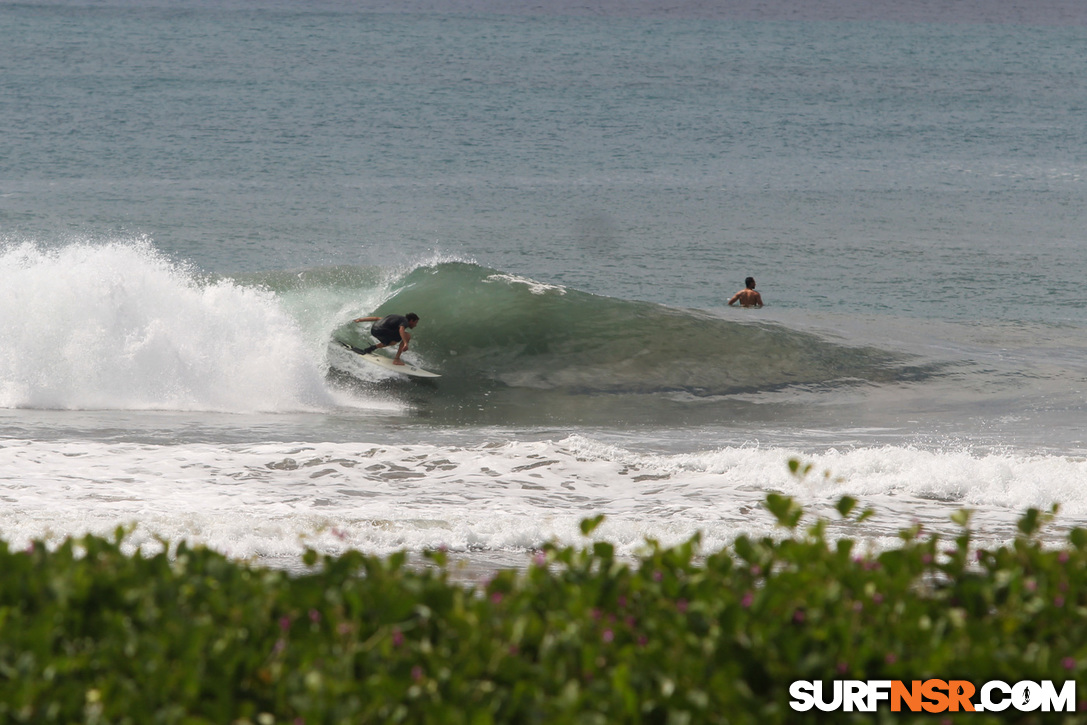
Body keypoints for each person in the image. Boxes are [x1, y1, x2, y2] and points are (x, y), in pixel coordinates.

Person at [351, 313, 419, 365]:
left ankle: (371, 348)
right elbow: (401, 330)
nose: (415, 325)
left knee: (392, 342)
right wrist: (405, 343)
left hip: (374, 330)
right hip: (382, 331)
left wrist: (360, 320)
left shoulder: (396, 318)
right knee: (407, 335)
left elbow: (377, 318)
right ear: (411, 320)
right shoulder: (405, 321)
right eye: (415, 322)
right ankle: (396, 359)